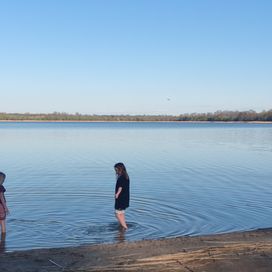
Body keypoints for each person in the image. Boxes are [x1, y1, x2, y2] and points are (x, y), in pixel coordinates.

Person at [114, 163, 130, 230]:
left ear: (119, 169)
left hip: (121, 197)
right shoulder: (126, 176)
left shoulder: (121, 178)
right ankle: (123, 225)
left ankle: (125, 227)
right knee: (122, 212)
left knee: (117, 213)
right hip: (125, 197)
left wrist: (117, 194)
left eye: (116, 169)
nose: (116, 171)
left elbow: (120, 187)